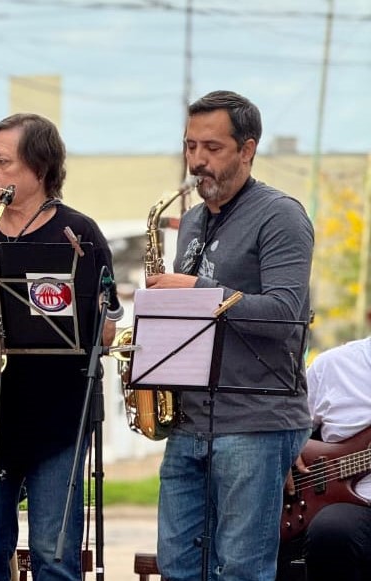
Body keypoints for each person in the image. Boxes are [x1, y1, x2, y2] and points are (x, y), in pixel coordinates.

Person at [0, 113, 118, 581]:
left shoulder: (80, 234)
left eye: (2, 162)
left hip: (58, 422)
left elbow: (106, 332)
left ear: (39, 169)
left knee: (53, 559)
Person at [145, 90, 313, 580]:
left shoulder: (280, 215)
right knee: (177, 567)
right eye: (190, 146)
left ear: (247, 149)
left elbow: (285, 312)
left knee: (241, 570)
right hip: (189, 422)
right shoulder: (192, 221)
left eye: (212, 148)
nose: (197, 160)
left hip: (255, 422)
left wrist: (196, 290)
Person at [276, 337, 371, 580]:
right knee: (331, 530)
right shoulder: (333, 365)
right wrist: (286, 450)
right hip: (350, 507)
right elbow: (284, 426)